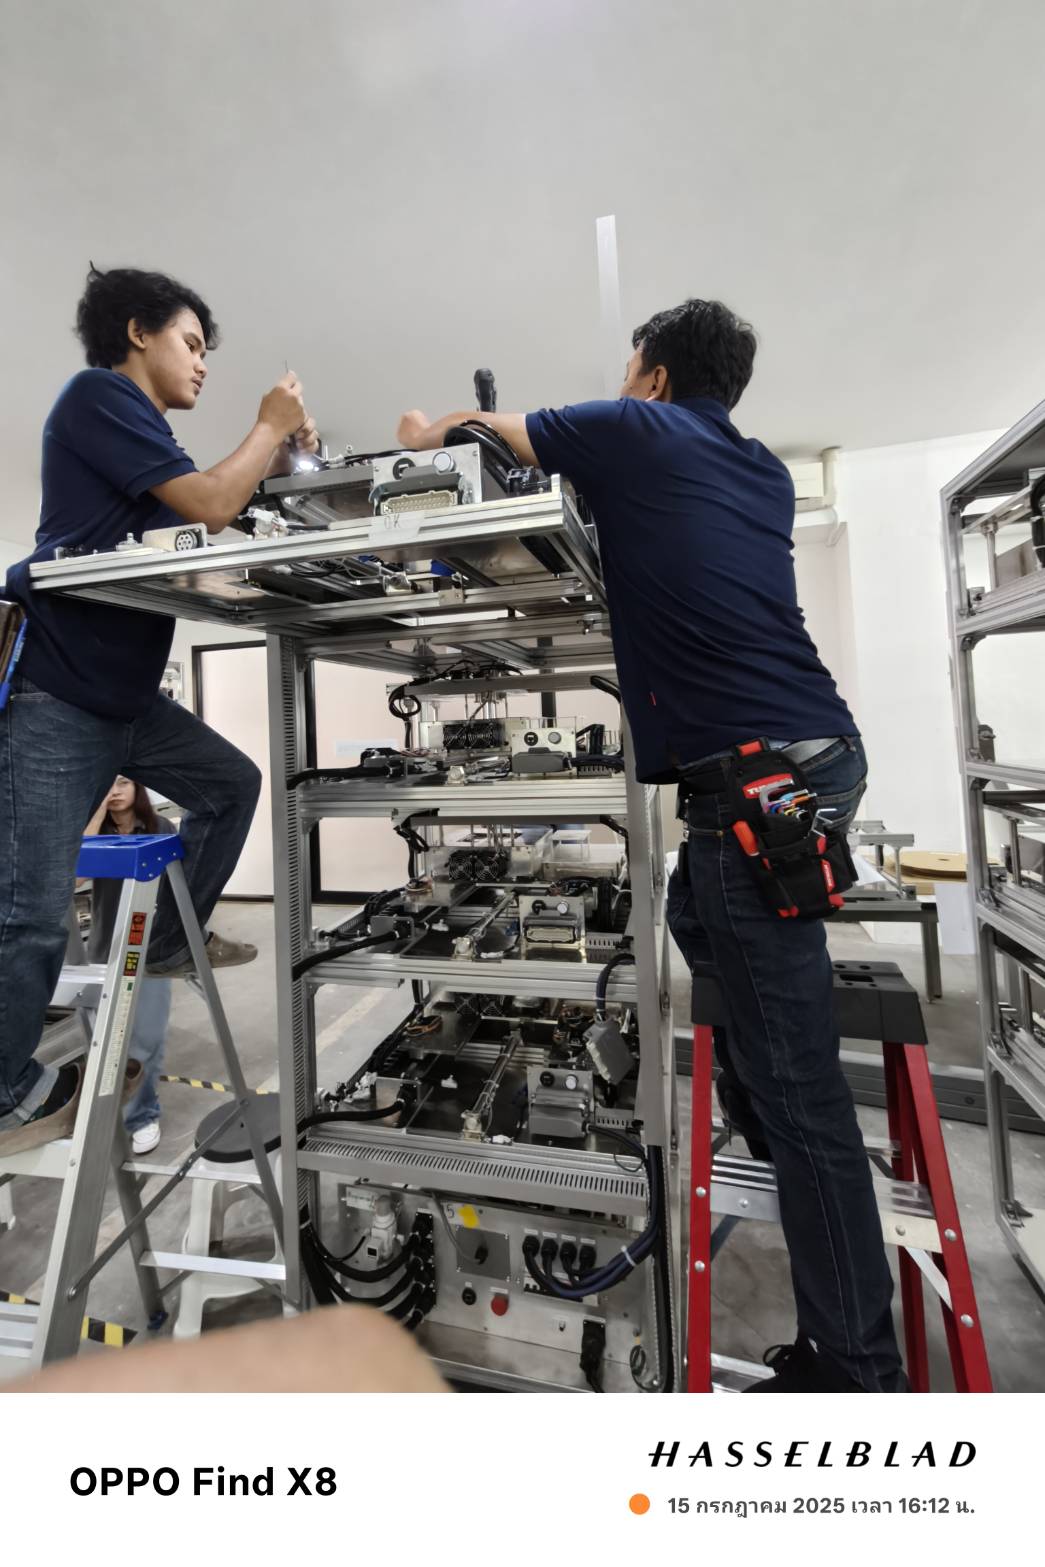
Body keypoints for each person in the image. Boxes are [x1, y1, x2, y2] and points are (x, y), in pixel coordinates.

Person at [395, 298, 906, 1393]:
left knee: (802, 1089)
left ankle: (855, 1369)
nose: (622, 382)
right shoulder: (757, 469)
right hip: (810, 755)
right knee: (689, 917)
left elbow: (468, 434)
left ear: (656, 377)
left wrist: (417, 432)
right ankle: (767, 1122)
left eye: (630, 367)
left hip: (757, 788)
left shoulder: (635, 429)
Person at [0, 264, 319, 1158]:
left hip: (128, 699)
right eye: (191, 342)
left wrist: (275, 458)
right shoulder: (98, 395)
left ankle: (171, 944)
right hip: (61, 694)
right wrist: (268, 424)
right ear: (137, 332)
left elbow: (216, 503)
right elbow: (212, 504)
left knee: (231, 783)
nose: (203, 362)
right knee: (29, 912)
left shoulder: (142, 435)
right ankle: (4, 1092)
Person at [83, 776, 177, 1156]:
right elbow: (75, 874)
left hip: (149, 949)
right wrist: (95, 812)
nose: (115, 791)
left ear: (139, 789)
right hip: (105, 948)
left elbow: (179, 884)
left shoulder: (160, 827)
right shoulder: (95, 831)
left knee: (146, 1040)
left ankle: (141, 1117)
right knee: (103, 1041)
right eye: (107, 784)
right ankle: (105, 1114)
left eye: (123, 783)